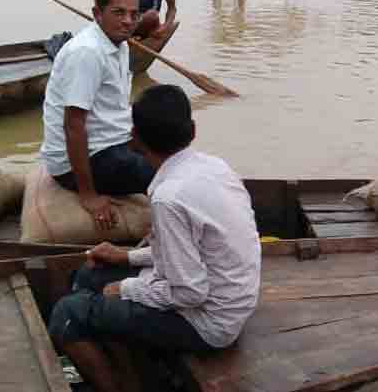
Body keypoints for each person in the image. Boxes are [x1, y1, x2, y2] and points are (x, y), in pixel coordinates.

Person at [47, 84, 261, 392]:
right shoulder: (216, 167)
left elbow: (190, 293)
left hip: (208, 323)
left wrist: (125, 288)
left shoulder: (169, 198)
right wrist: (127, 257)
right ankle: (131, 368)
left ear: (134, 138)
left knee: (67, 315)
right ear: (193, 130)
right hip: (229, 300)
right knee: (90, 273)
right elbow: (189, 252)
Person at [40, 0, 154, 232]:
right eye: (118, 12)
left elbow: (113, 109)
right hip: (82, 160)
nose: (127, 21)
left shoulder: (120, 44)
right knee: (165, 178)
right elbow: (73, 125)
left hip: (111, 142)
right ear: (97, 14)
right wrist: (88, 195)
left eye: (134, 14)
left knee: (174, 154)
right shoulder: (87, 53)